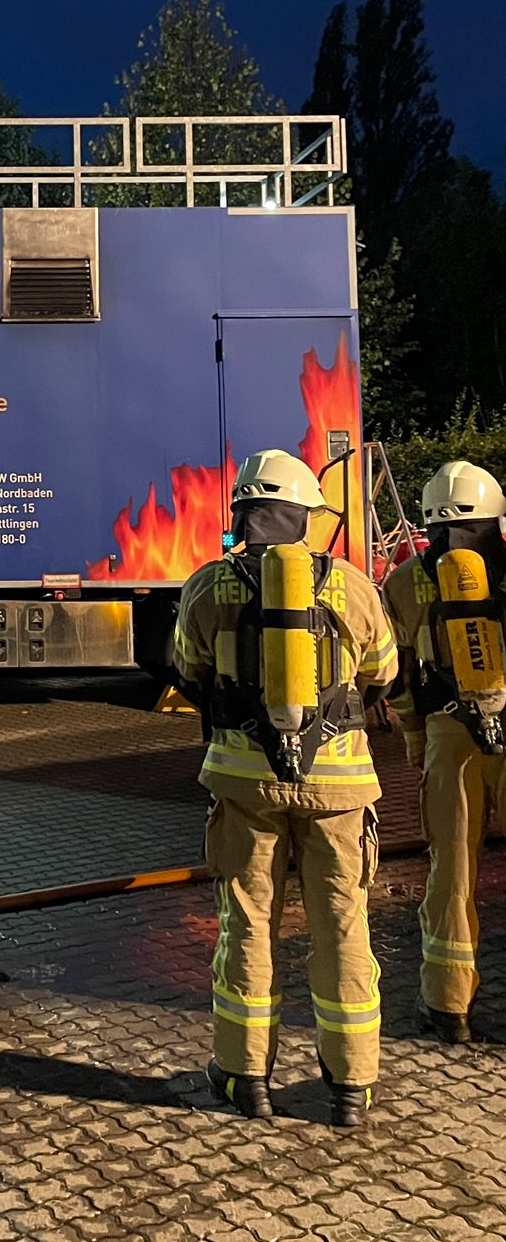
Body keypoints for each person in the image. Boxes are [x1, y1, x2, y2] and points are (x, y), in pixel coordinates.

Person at [173, 449, 397, 1128]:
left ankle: (245, 1078)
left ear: (242, 512)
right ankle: (351, 1085)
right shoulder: (351, 584)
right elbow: (383, 672)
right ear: (304, 516)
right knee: (343, 926)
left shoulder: (207, 585)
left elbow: (188, 670)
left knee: (247, 925)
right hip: (339, 788)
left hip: (246, 784)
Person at [382, 460, 506, 1043]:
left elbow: (397, 676)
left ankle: (447, 1005)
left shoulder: (404, 581)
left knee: (452, 870)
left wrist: (412, 732)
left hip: (449, 731)